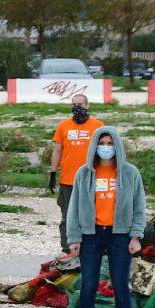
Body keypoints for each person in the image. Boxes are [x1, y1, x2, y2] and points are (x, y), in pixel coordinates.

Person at [64, 127, 146, 308]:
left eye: (111, 143)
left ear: (117, 146)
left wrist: (136, 235)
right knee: (89, 285)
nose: (106, 148)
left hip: (120, 234)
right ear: (94, 146)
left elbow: (139, 206)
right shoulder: (84, 173)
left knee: (120, 285)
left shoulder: (130, 173)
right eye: (102, 143)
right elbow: (74, 207)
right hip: (91, 234)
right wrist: (74, 237)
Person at [50, 94, 105, 254]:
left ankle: (94, 247)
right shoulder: (63, 126)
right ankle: (67, 248)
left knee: (94, 214)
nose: (77, 107)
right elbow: (57, 150)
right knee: (67, 216)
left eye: (80, 104)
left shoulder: (98, 126)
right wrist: (53, 173)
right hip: (68, 179)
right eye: (74, 104)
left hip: (91, 179)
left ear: (87, 105)